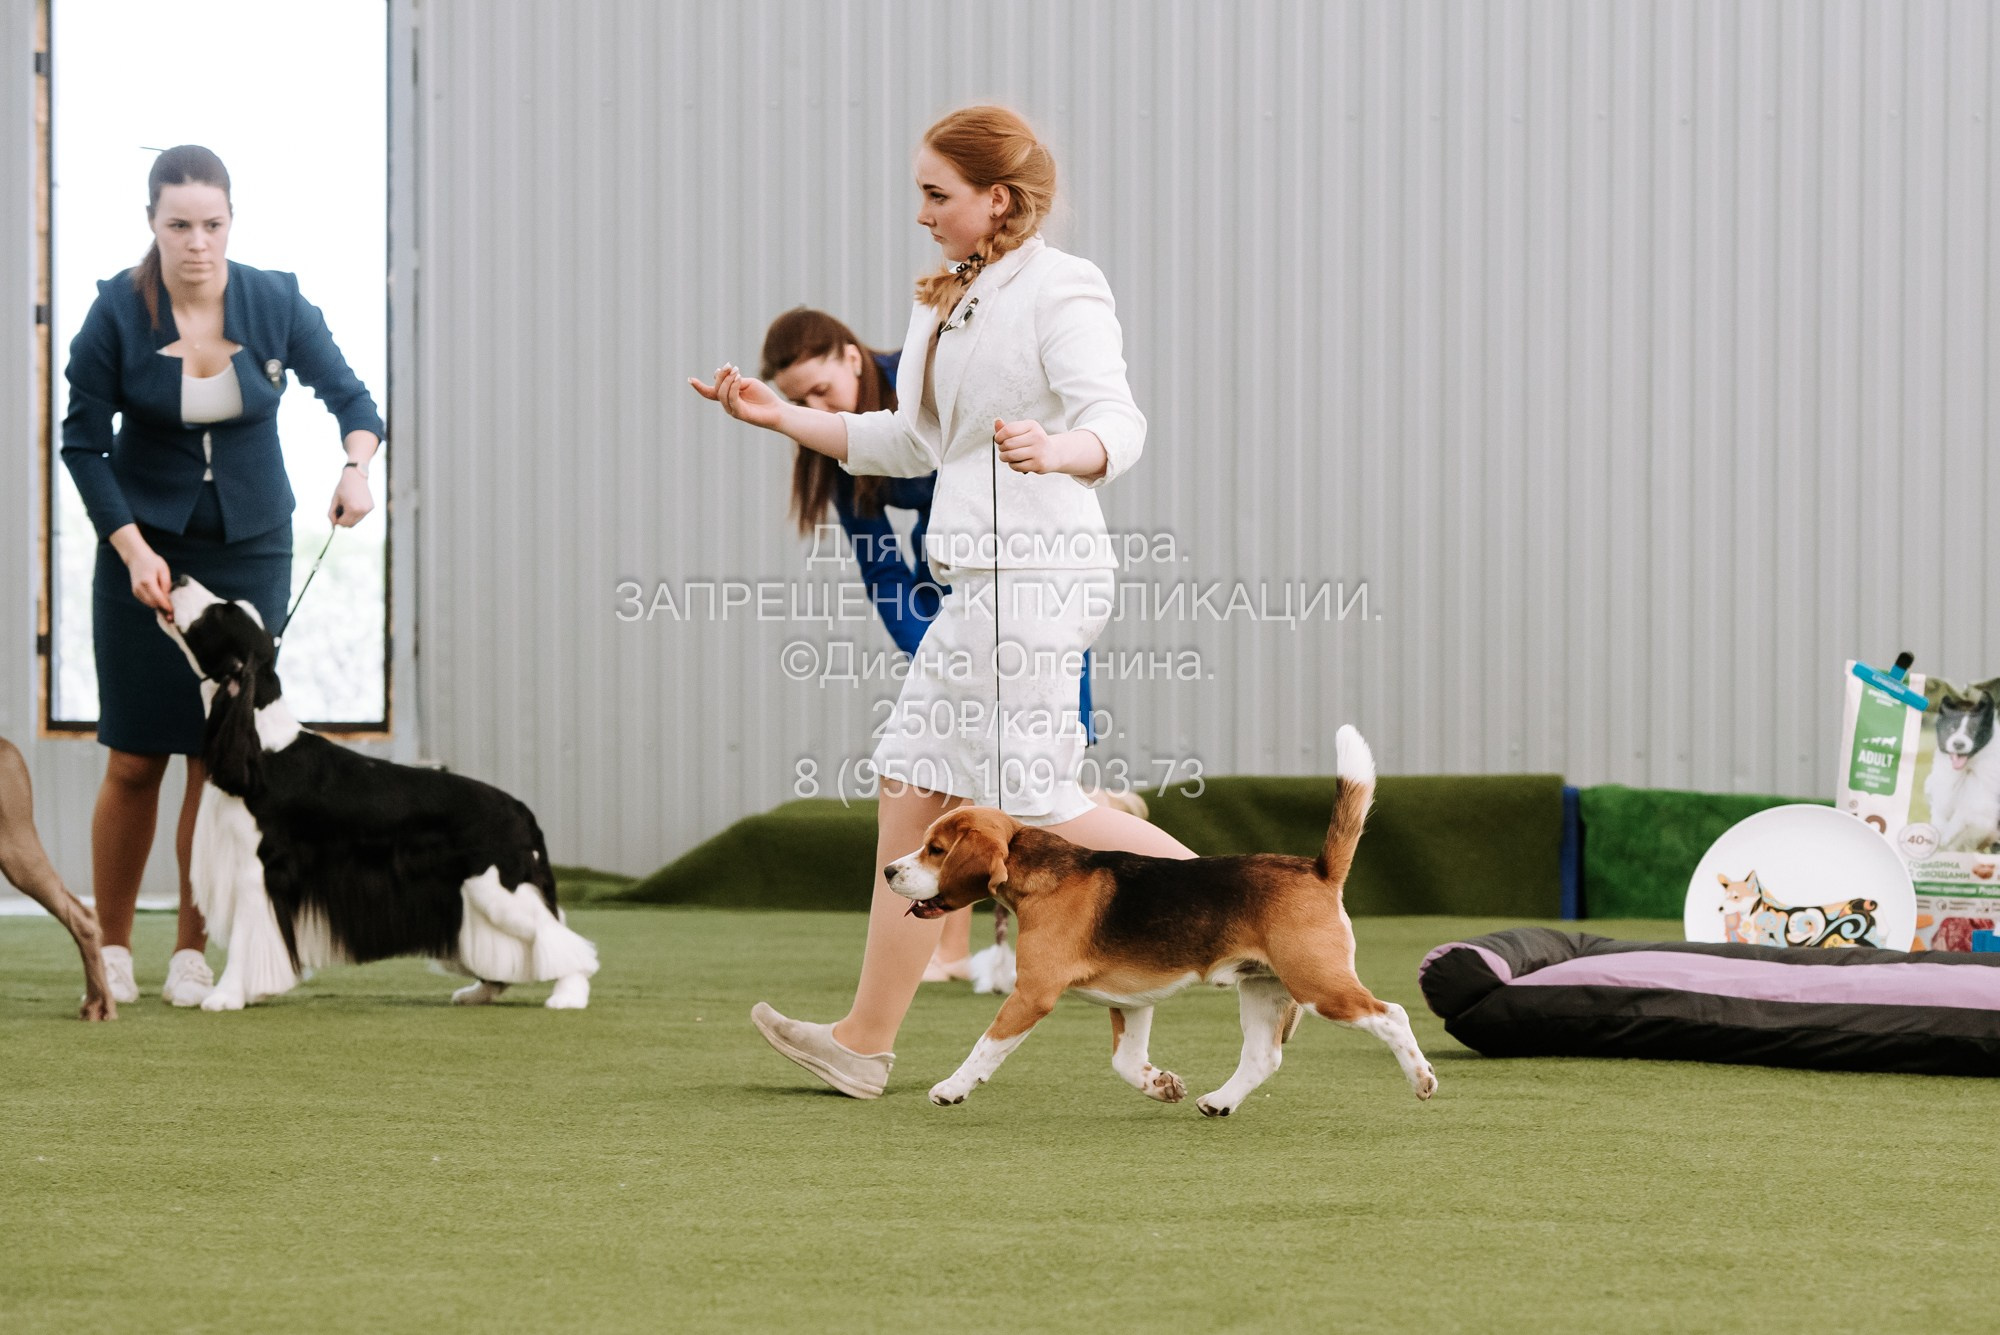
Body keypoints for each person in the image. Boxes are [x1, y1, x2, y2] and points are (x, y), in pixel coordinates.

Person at [692, 105, 1196, 1098]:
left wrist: (1064, 450)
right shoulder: (942, 301)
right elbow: (907, 444)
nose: (919, 213)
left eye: (936, 195)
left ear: (994, 200)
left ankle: (1266, 916)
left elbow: (1117, 421)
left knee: (1046, 804)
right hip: (978, 585)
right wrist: (777, 416)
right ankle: (863, 1044)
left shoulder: (1064, 289)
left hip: (1038, 578)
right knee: (909, 792)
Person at [61, 145, 383, 1008]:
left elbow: (355, 402)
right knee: (134, 755)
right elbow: (82, 444)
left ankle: (192, 951)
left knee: (221, 755)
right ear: (152, 225)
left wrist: (358, 467)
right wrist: (131, 550)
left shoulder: (276, 299)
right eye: (178, 225)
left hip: (252, 546)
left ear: (231, 222)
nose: (197, 242)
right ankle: (115, 945)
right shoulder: (112, 315)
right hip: (144, 546)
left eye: (212, 224)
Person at [761, 308, 1149, 984]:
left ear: (852, 358)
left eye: (818, 391)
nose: (811, 409)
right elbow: (882, 570)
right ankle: (941, 956)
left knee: (1037, 788)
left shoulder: (925, 385)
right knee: (937, 772)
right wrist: (933, 651)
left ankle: (1131, 830)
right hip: (949, 592)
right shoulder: (846, 450)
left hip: (1025, 577)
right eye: (797, 403)